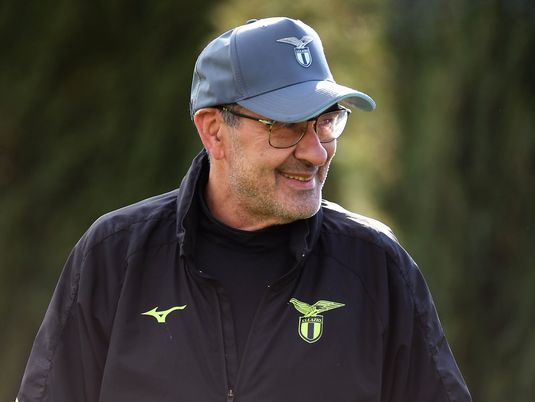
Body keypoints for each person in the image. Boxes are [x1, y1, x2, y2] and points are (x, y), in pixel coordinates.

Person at [17, 17, 472, 402]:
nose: (316, 152)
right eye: (288, 127)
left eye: (327, 122)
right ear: (214, 131)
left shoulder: (376, 265)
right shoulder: (114, 256)